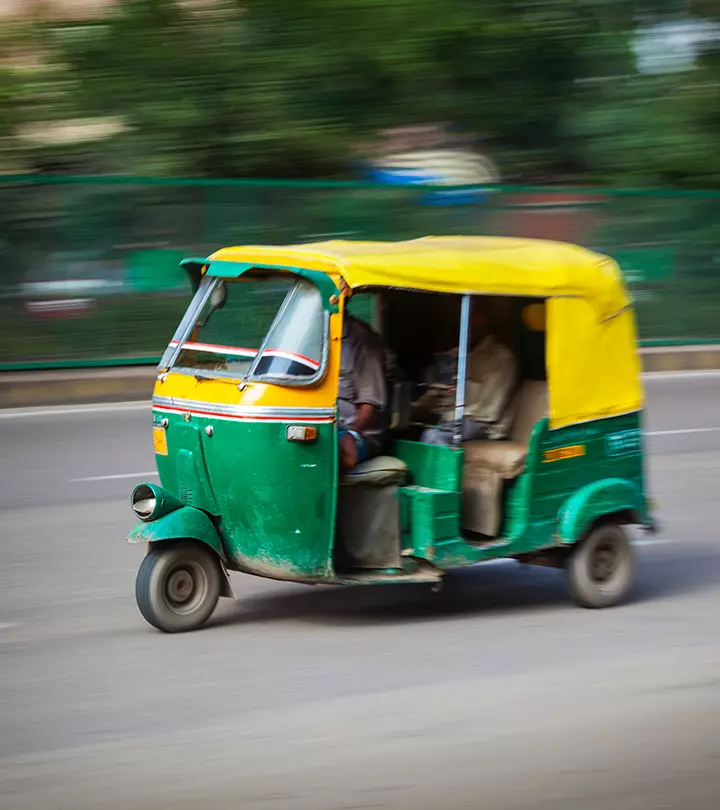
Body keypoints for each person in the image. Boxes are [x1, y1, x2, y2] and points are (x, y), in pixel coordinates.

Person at [419, 300, 518, 445]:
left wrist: (450, 415)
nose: (468, 321)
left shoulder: (501, 358)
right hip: (452, 420)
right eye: (462, 315)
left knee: (433, 437)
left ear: (486, 319)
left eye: (474, 315)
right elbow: (437, 397)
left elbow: (488, 412)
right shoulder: (453, 355)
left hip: (485, 426)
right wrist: (420, 405)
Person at [338, 313, 388, 472]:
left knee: (323, 452)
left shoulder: (362, 340)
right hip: (325, 426)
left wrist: (352, 434)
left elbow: (369, 405)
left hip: (358, 432)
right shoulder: (312, 335)